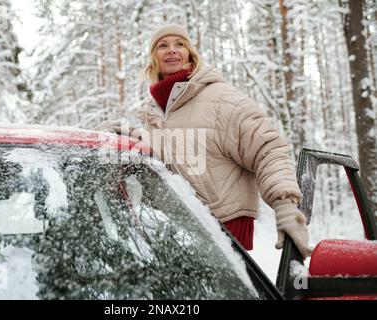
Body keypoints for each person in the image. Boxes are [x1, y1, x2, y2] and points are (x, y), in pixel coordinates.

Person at [96, 24, 312, 259]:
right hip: (178, 236)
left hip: (225, 232)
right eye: (163, 45)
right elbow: (175, 152)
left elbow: (266, 147)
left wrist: (285, 204)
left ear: (190, 53)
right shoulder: (156, 111)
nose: (172, 50)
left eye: (180, 44)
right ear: (153, 58)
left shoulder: (220, 97)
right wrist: (128, 137)